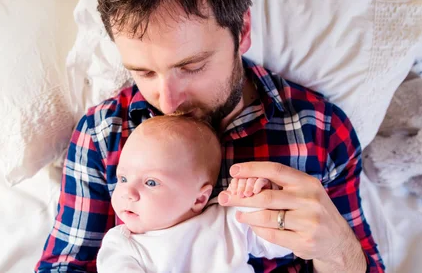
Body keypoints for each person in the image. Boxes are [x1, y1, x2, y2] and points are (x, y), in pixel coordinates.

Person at [36, 0, 385, 272]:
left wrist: (338, 253)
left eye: (191, 66)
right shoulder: (103, 134)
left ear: (242, 31)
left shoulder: (320, 131)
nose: (168, 102)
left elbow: (360, 261)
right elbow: (64, 266)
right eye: (144, 72)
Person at [96, 115, 291, 272]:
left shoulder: (228, 219)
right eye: (122, 179)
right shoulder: (122, 245)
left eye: (151, 182)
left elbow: (283, 246)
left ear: (199, 198)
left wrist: (260, 198)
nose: (128, 192)